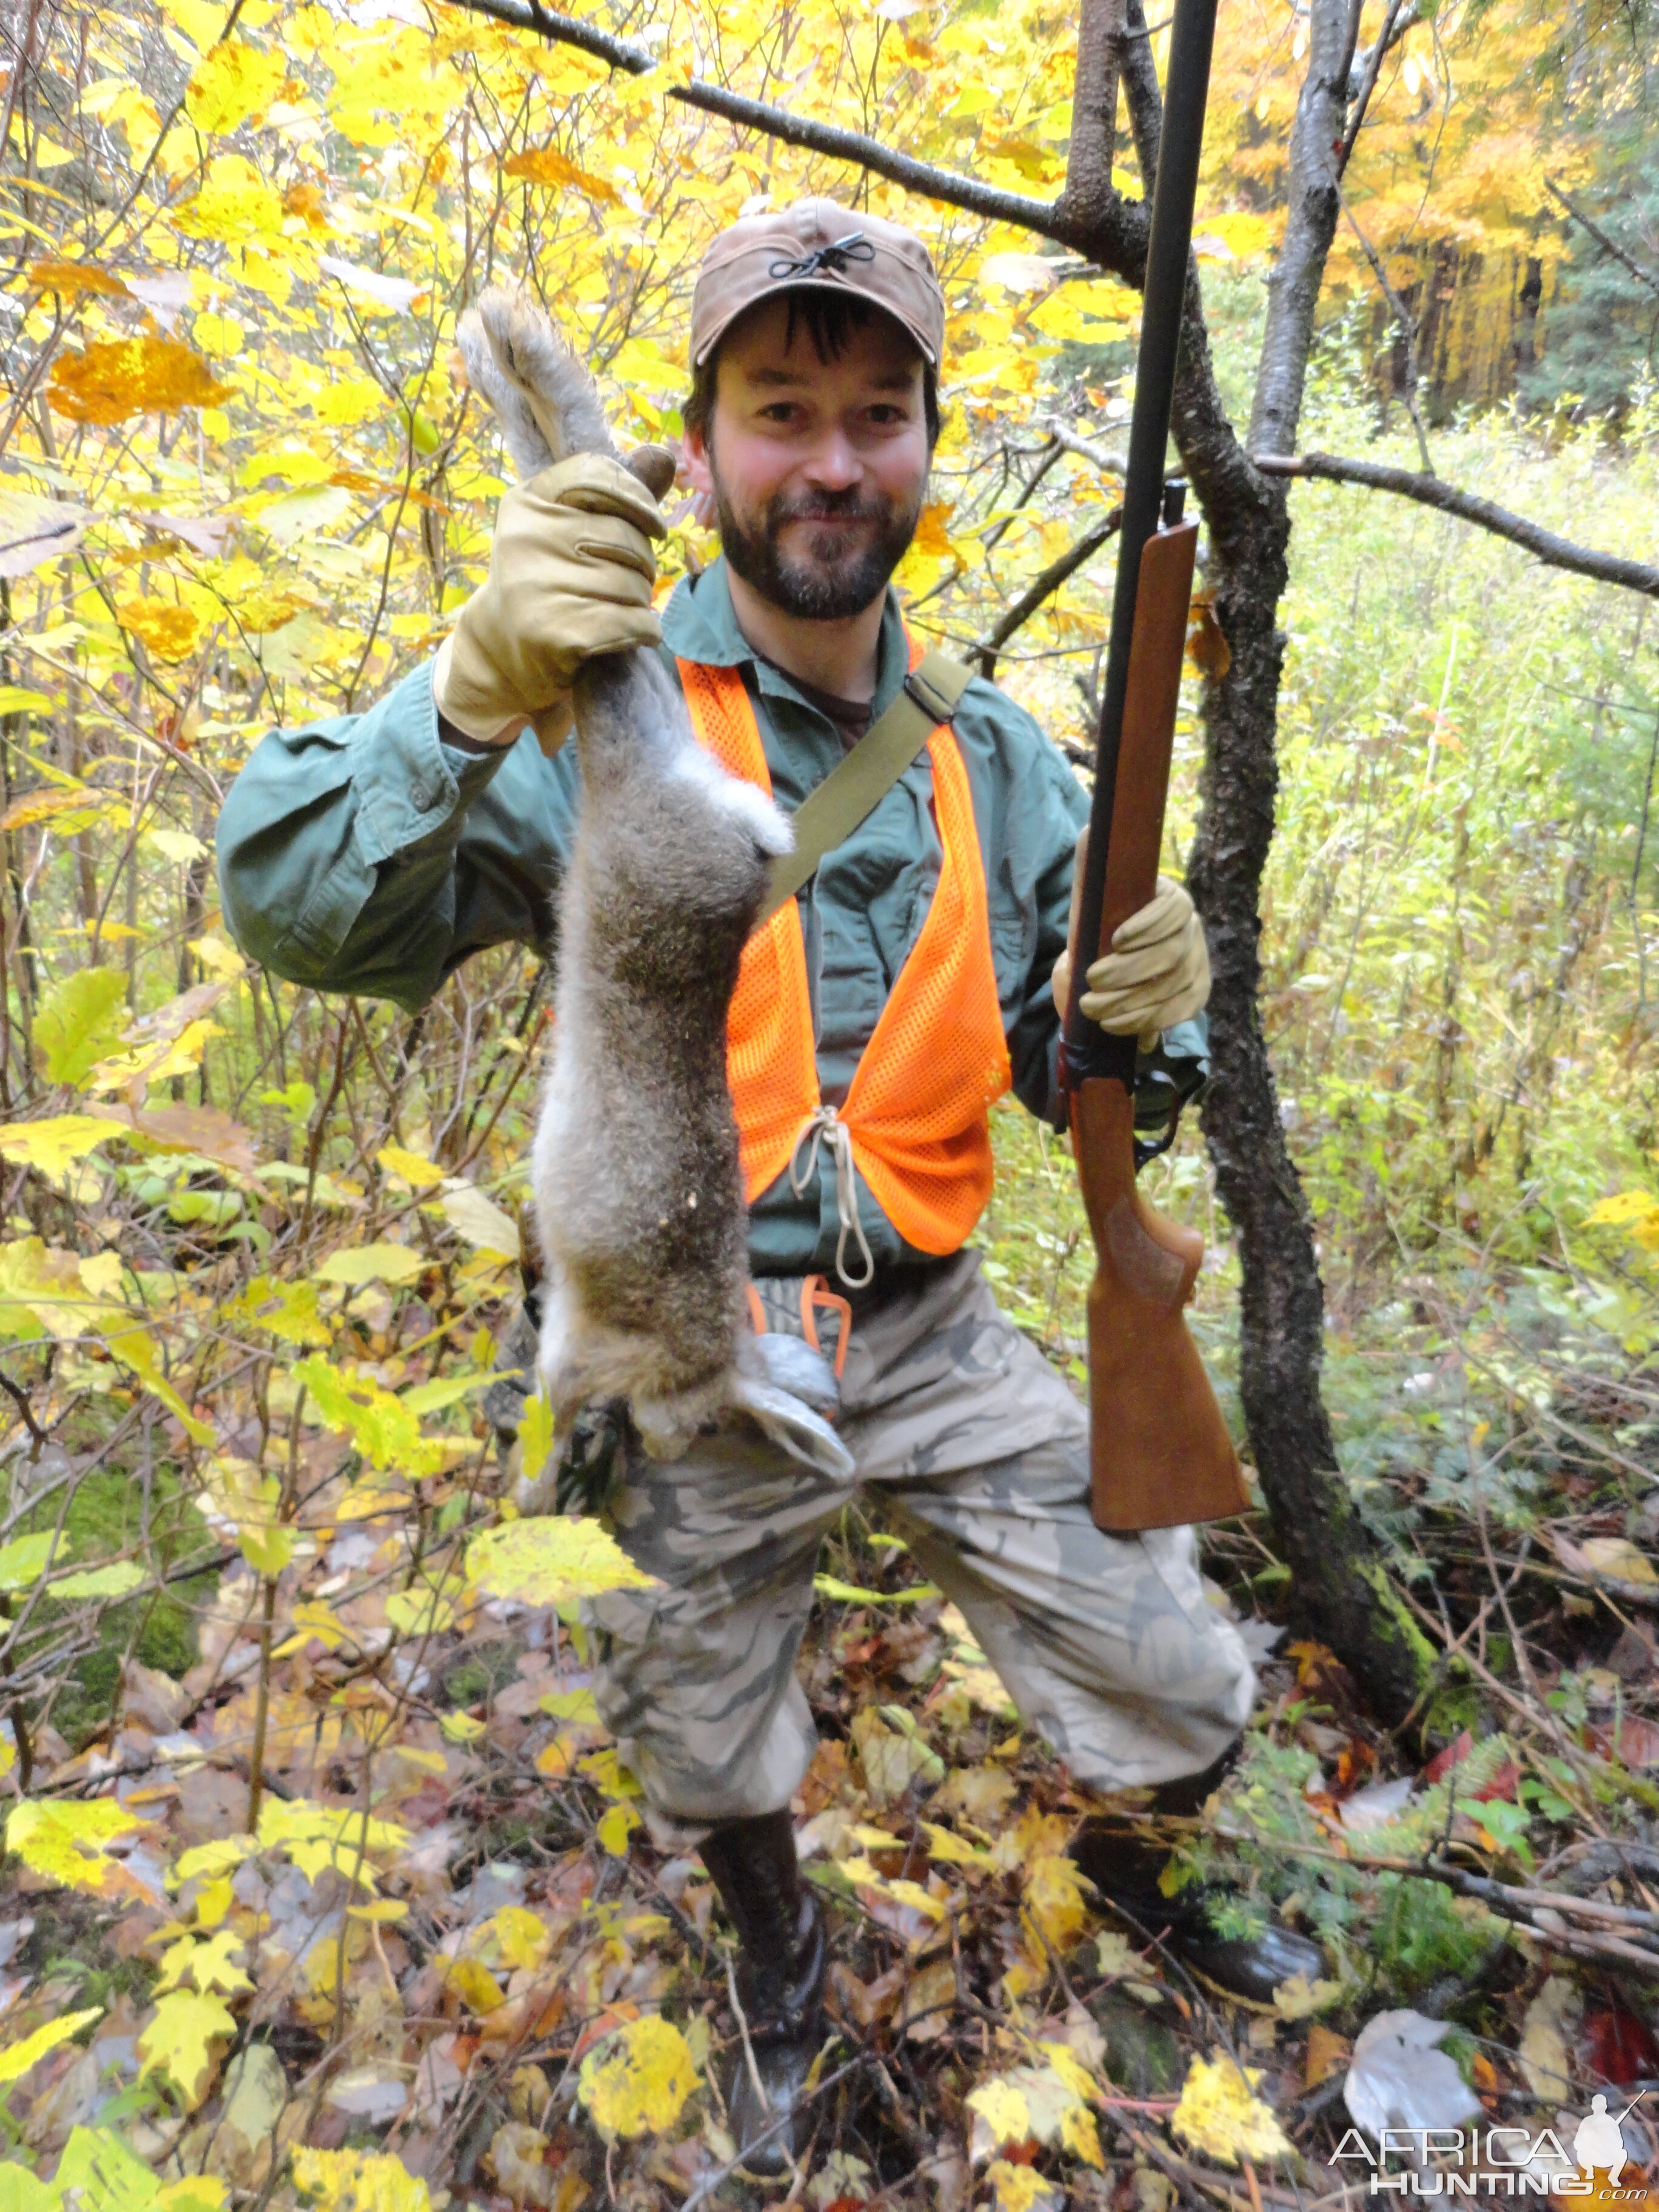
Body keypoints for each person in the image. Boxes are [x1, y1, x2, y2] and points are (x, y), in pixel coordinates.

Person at [217, 198, 1320, 2168]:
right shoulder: (590, 708)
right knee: (697, 1728)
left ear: (923, 446)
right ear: (707, 439)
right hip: (676, 1342)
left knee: (1178, 1669)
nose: (830, 458)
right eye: (781, 406)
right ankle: (778, 1953)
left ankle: (1142, 1884)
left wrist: (1161, 1015)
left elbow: (1126, 1069)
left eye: (875, 411)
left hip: (936, 1329)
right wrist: (466, 687)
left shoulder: (1007, 759)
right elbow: (294, 911)